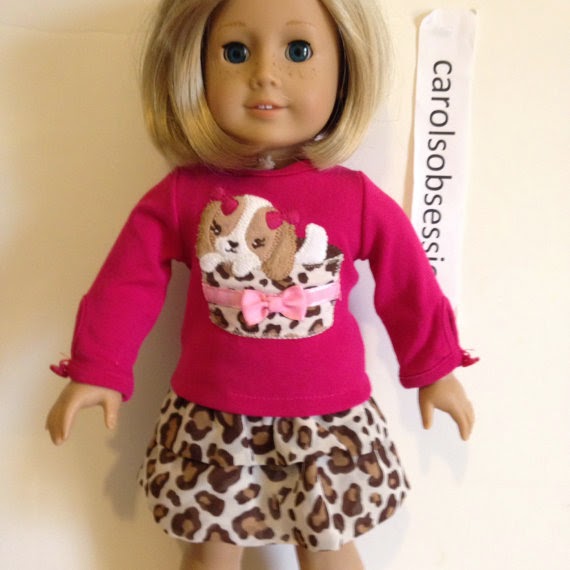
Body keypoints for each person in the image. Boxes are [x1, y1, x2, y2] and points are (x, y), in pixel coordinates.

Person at [46, 1, 477, 569]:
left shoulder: (354, 197)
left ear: (345, 67)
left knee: (328, 549)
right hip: (214, 417)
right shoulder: (183, 194)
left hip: (327, 418)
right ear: (196, 66)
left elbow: (408, 283)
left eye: (298, 51)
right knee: (211, 553)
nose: (265, 74)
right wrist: (97, 367)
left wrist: (434, 367)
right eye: (235, 52)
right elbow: (129, 281)